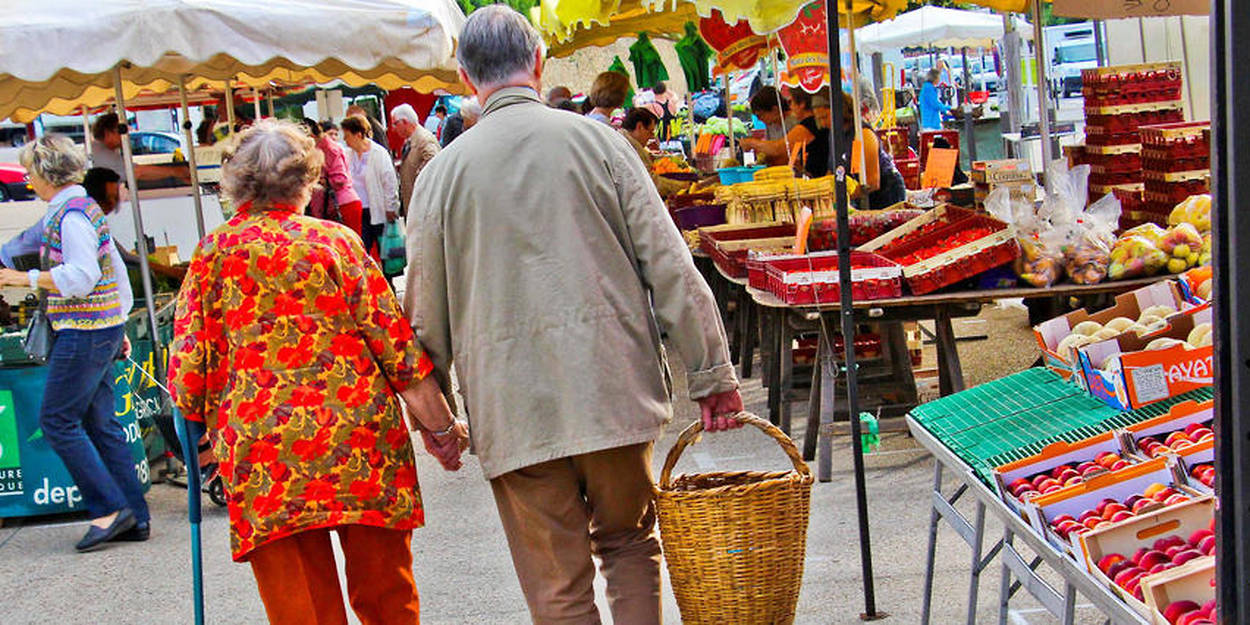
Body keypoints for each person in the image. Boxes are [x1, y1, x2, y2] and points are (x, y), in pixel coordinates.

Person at [406, 7, 743, 624]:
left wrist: (436, 418)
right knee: (631, 545)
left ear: (463, 77)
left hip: (513, 410)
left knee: (556, 584)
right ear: (539, 62)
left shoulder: (439, 178)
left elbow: (423, 321)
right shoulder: (601, 144)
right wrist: (711, 373)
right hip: (615, 390)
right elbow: (669, 267)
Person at [167, 119, 466, 624]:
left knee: (304, 609)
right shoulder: (337, 244)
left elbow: (188, 376)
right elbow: (398, 351)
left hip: (267, 457)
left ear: (236, 183)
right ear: (309, 180)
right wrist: (441, 429)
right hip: (359, 445)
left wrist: (200, 437)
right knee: (388, 597)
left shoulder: (212, 256)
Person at [0, 135, 147, 552]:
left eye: (30, 171)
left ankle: (109, 508)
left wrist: (23, 279)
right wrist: (119, 325)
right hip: (100, 327)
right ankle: (136, 514)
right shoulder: (75, 210)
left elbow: (81, 278)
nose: (28, 179)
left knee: (57, 421)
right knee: (102, 424)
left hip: (84, 330)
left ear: (46, 173)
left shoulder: (70, 217)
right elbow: (111, 271)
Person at [342, 115, 400, 264]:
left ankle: (389, 281)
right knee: (363, 249)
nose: (345, 140)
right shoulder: (348, 154)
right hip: (359, 210)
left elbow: (389, 181)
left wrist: (391, 206)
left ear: (359, 135)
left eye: (347, 135)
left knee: (385, 250)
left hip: (378, 208)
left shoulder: (378, 153)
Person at [838, 92, 907, 210]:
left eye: (824, 117)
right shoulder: (836, 135)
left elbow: (872, 182)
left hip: (886, 191)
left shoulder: (862, 134)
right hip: (864, 194)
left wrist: (844, 197)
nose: (822, 122)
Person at [301, 118, 363, 234]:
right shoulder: (324, 148)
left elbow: (340, 179)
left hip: (342, 205)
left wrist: (322, 181)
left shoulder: (329, 149)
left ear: (312, 136)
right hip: (336, 205)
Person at [619, 108, 687, 197]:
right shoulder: (629, 147)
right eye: (650, 132)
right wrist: (682, 186)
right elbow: (651, 183)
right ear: (640, 127)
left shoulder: (624, 140)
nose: (651, 137)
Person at [389, 104, 440, 214]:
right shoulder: (411, 140)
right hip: (414, 204)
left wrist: (418, 175)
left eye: (395, 124)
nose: (393, 129)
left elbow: (434, 162)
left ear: (405, 122)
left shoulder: (424, 139)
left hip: (423, 207)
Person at [740, 87, 793, 166]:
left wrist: (753, 143)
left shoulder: (793, 122)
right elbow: (770, 153)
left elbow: (781, 149)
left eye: (760, 115)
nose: (759, 119)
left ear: (775, 110)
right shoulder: (770, 125)